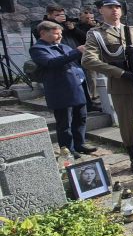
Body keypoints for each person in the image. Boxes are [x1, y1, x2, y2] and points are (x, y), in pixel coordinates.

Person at [82, 0, 133, 173]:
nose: (115, 10)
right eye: (110, 7)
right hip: (120, 82)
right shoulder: (96, 34)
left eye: (117, 7)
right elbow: (88, 60)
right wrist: (120, 73)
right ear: (101, 10)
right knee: (126, 122)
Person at [30, 21, 98, 160]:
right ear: (43, 33)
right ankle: (68, 148)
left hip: (77, 86)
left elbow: (76, 62)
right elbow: (51, 63)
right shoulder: (38, 49)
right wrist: (76, 51)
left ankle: (80, 143)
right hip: (60, 90)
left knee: (81, 118)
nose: (59, 36)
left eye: (60, 33)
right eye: (56, 33)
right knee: (64, 123)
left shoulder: (65, 46)